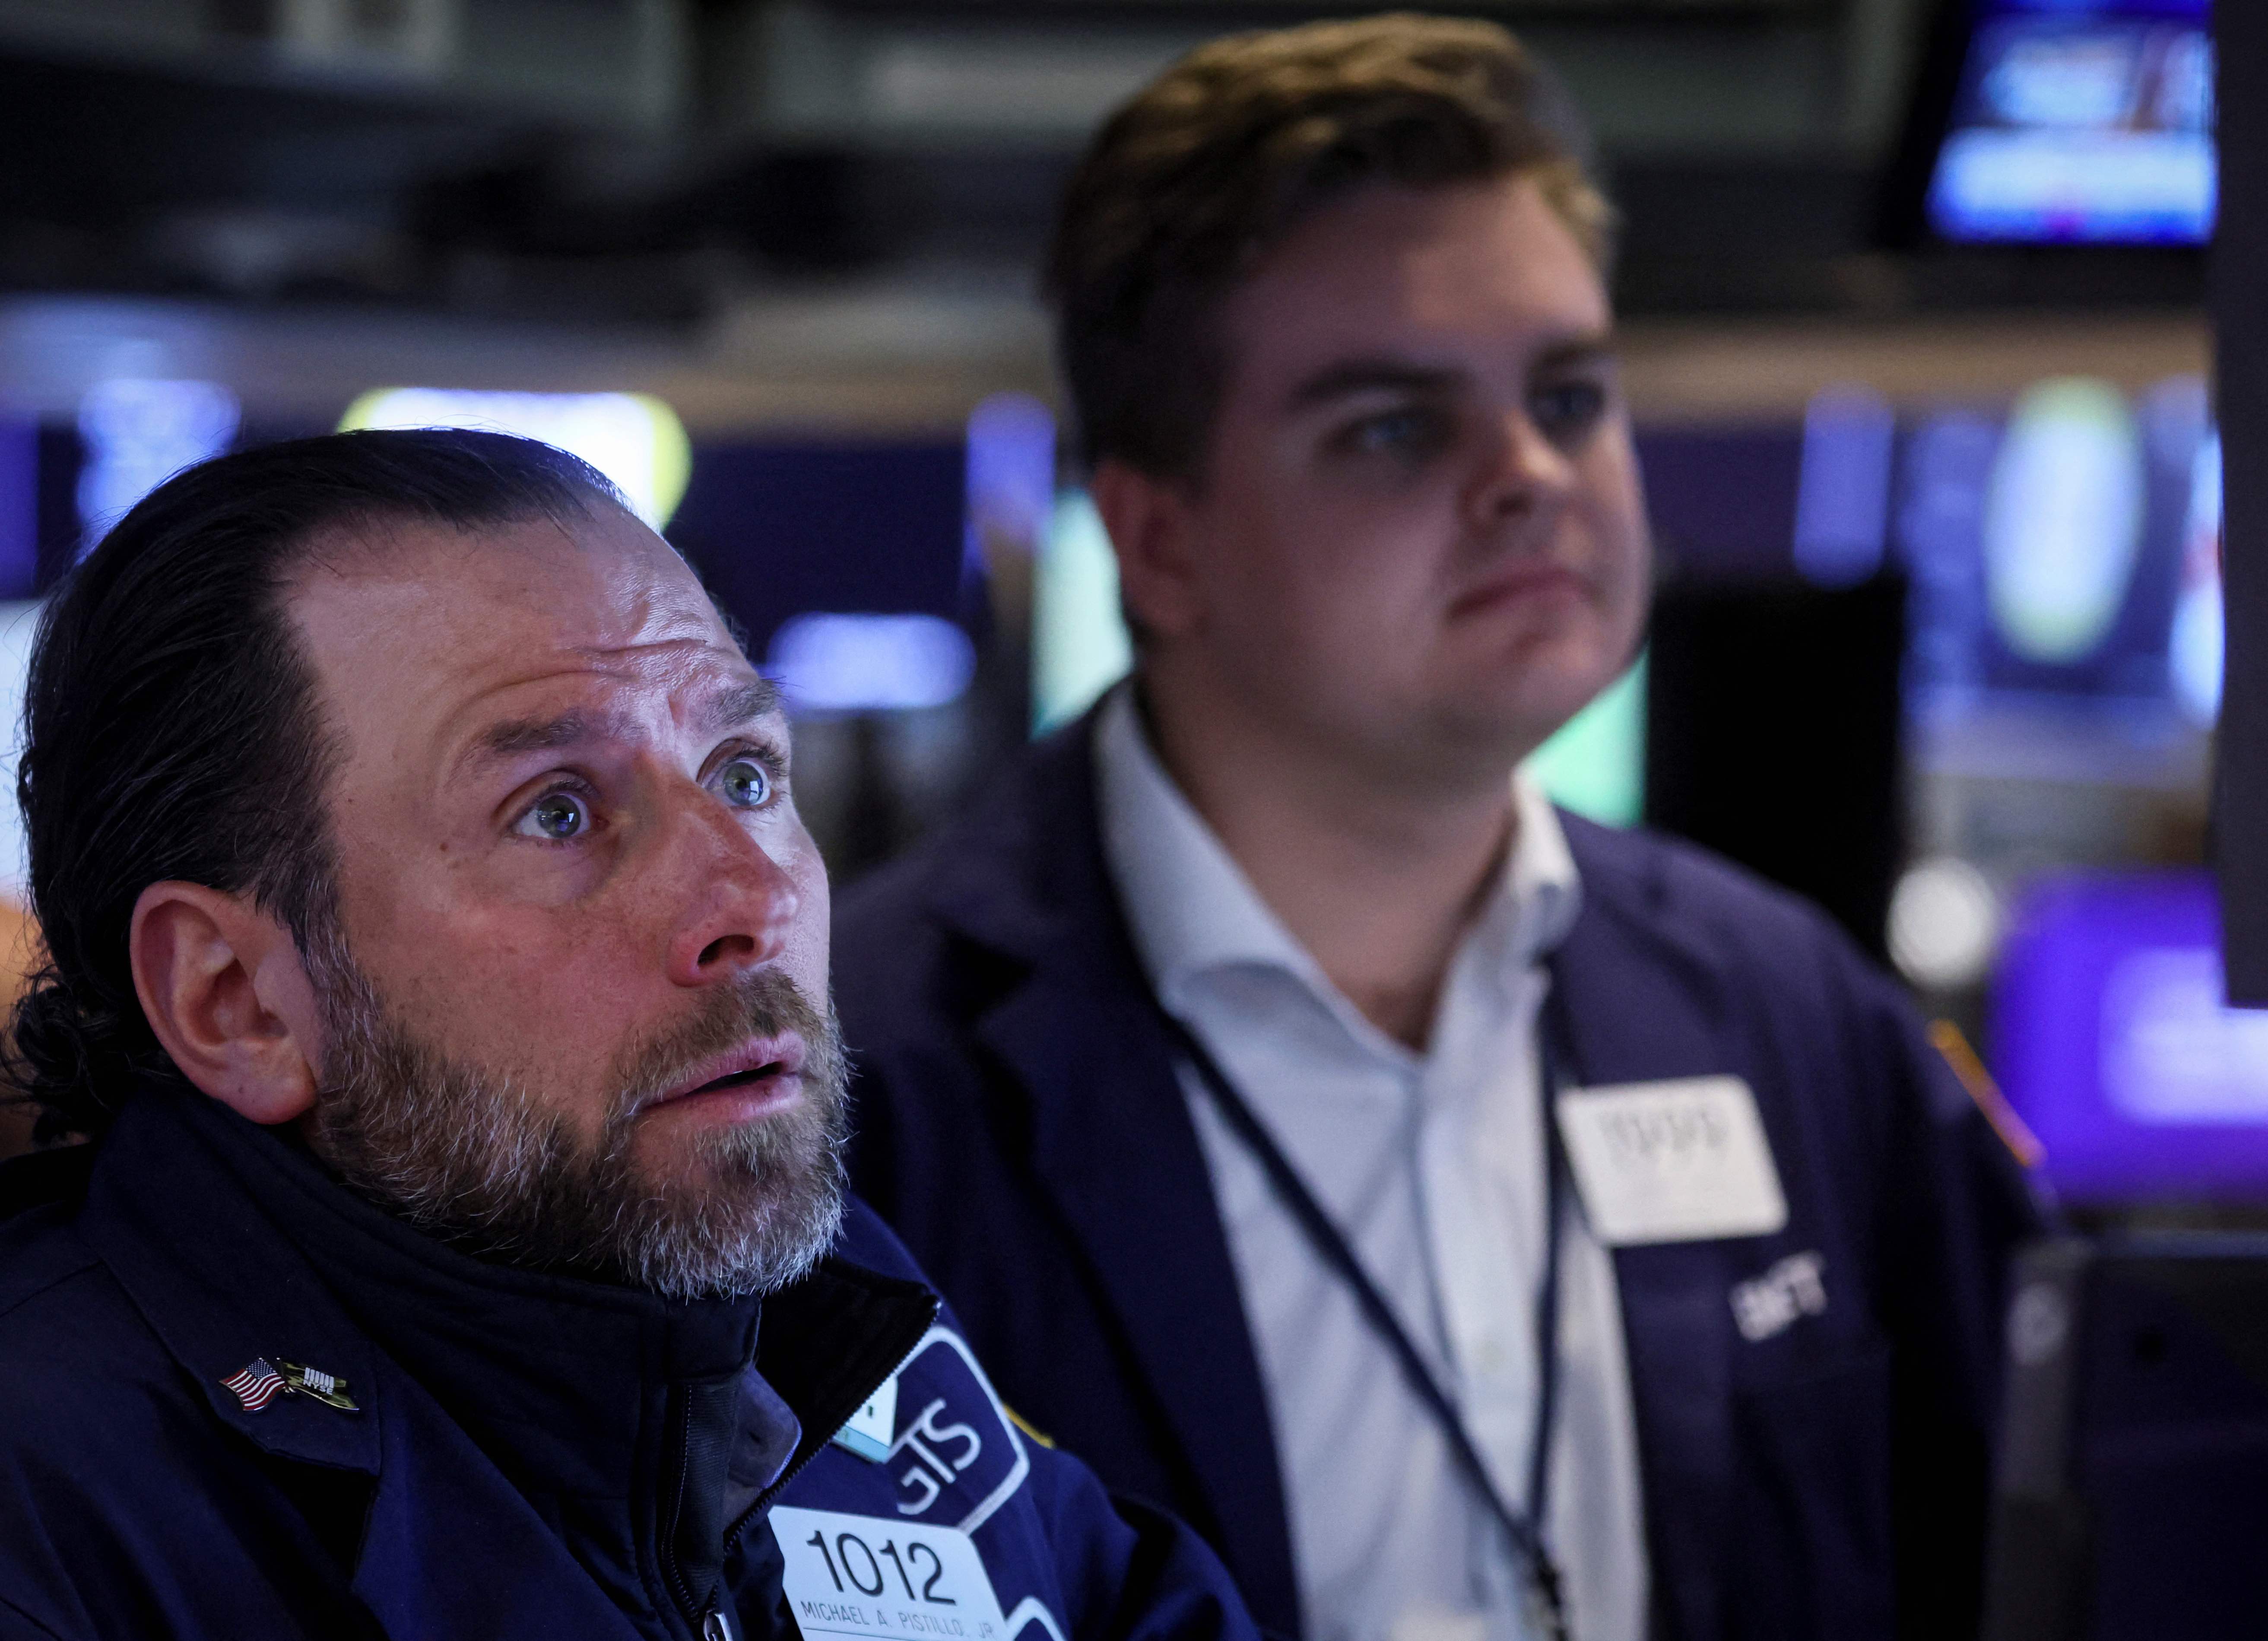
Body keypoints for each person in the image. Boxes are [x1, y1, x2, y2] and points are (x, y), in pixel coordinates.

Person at [827, 16, 2046, 1641]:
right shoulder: (857, 1084)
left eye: (1571, 394)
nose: (1531, 475)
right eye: (1394, 426)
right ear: (1158, 541)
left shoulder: (1788, 1012)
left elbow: (2031, 1557)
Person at [0, 430, 1257, 1641]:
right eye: (555, 813)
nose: (751, 900)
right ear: (239, 1001)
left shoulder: (818, 1330)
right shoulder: (59, 1516)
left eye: (745, 774)